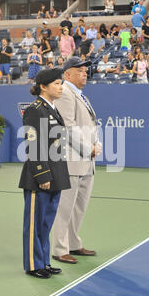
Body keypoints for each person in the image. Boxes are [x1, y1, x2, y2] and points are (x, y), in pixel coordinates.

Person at [19, 68, 70, 279]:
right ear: (43, 86)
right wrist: (43, 175)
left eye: (61, 83)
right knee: (34, 224)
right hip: (40, 177)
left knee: (46, 222)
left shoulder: (52, 109)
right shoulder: (35, 109)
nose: (61, 87)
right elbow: (33, 144)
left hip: (55, 174)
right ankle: (33, 265)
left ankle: (43, 262)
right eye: (57, 83)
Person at [52, 57, 102, 265]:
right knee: (65, 208)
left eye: (85, 70)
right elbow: (68, 128)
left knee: (79, 207)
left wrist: (96, 144)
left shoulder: (81, 95)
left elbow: (90, 124)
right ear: (67, 74)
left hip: (86, 162)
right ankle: (59, 248)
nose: (85, 72)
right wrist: (88, 149)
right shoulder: (65, 93)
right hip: (71, 161)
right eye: (79, 70)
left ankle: (73, 243)